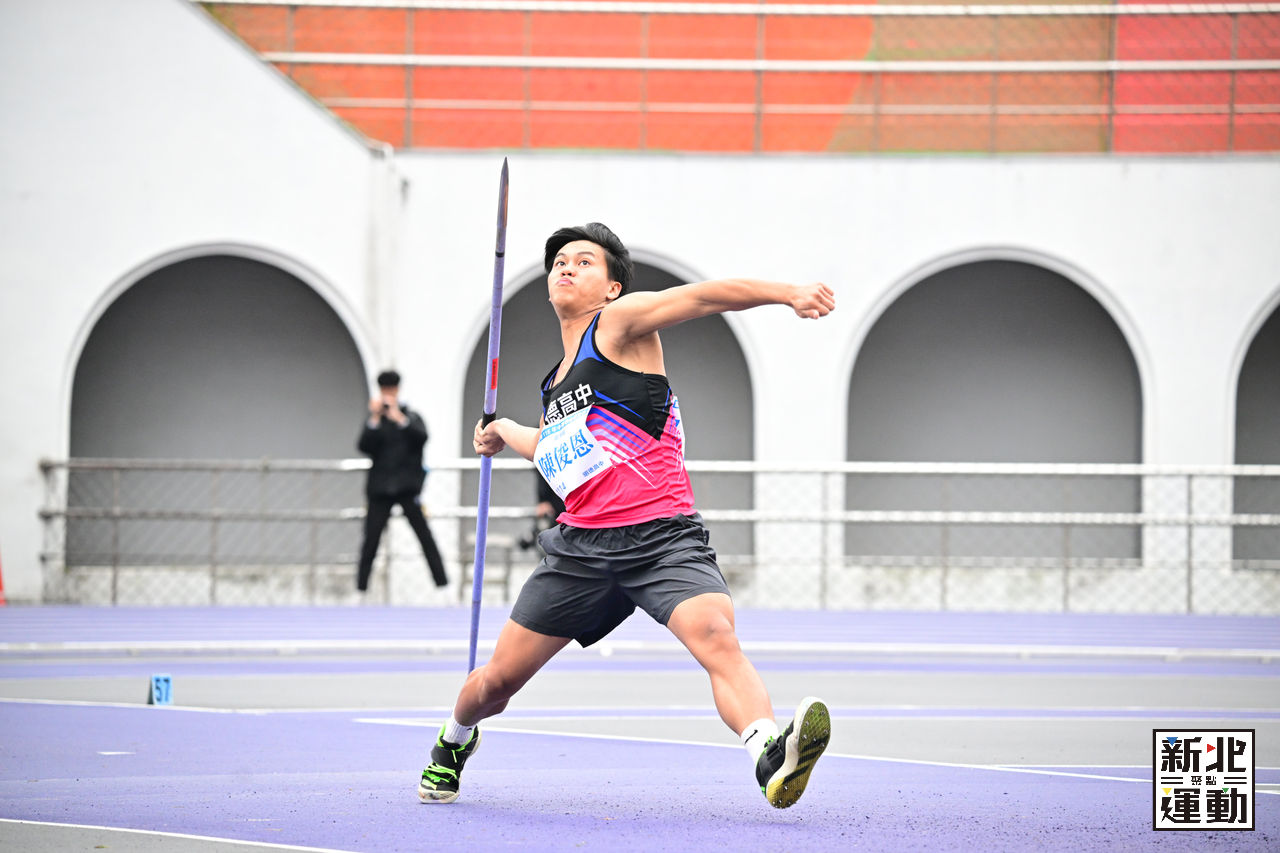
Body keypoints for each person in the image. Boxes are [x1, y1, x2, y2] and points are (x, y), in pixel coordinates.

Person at [417, 223, 836, 809]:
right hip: (580, 551)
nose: (566, 267)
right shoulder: (555, 382)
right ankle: (454, 739)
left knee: (716, 637)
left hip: (663, 538)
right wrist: (504, 430)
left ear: (612, 287)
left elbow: (702, 297)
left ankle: (768, 752)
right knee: (496, 683)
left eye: (583, 261)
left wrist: (786, 292)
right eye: (559, 262)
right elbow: (558, 450)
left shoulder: (618, 324)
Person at [356, 370, 447, 594]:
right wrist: (374, 418)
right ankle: (361, 589)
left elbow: (422, 437)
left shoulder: (410, 416)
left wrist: (400, 419)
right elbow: (364, 446)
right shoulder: (376, 420)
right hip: (380, 490)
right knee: (371, 539)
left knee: (425, 536)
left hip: (407, 488)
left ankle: (442, 585)